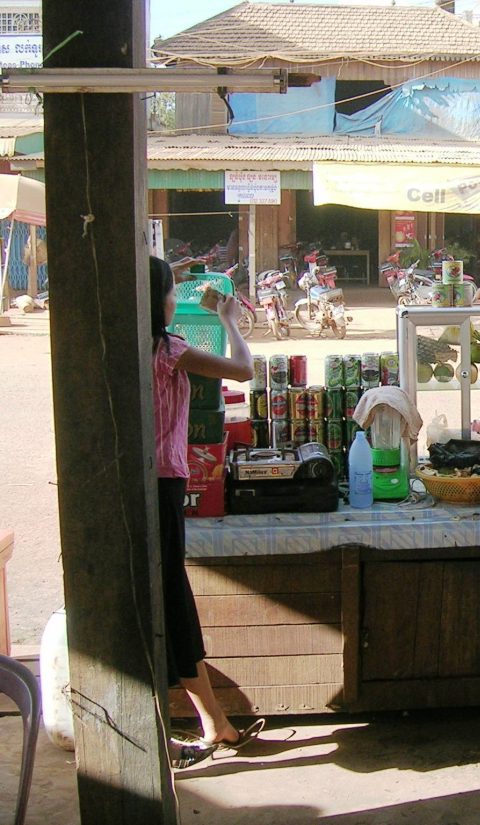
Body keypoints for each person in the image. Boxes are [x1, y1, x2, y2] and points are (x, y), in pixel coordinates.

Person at [149, 256, 265, 767]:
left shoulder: (131, 344)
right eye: (171, 293)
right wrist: (228, 321)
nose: (176, 301)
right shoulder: (168, 350)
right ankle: (208, 724)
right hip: (163, 485)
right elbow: (243, 369)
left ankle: (214, 722)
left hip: (139, 486)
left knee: (165, 598)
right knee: (172, 602)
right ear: (159, 302)